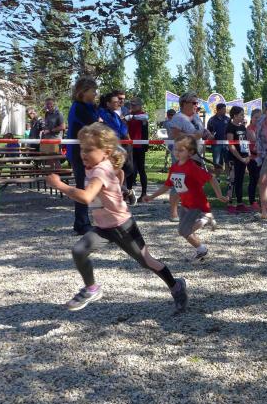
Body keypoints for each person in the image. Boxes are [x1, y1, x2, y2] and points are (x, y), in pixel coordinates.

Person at [45, 123, 187, 313]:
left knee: (147, 261)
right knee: (78, 251)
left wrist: (60, 186)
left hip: (122, 226)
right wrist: (118, 187)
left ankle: (176, 286)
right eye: (82, 149)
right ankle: (91, 288)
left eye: (89, 150)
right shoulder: (95, 166)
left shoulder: (100, 170)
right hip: (103, 227)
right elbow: (118, 173)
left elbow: (86, 197)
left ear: (105, 152)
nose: (83, 154)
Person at [143, 134, 228, 263]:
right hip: (186, 204)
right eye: (175, 149)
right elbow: (167, 186)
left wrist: (219, 195)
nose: (177, 152)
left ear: (191, 152)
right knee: (186, 231)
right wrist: (151, 196)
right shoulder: (174, 167)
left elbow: (211, 178)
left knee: (184, 230)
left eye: (181, 150)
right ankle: (202, 245)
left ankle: (203, 237)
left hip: (197, 204)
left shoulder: (192, 167)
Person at [168, 92, 213, 221]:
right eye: (194, 103)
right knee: (179, 184)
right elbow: (176, 135)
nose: (196, 105)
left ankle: (191, 210)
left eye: (197, 103)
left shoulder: (196, 117)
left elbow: (201, 130)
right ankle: (173, 213)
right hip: (182, 156)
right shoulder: (178, 117)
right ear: (184, 104)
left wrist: (208, 134)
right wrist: (193, 136)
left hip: (195, 155)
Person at [66, 78, 100, 235]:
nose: (95, 94)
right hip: (78, 152)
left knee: (89, 186)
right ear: (83, 92)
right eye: (93, 91)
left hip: (87, 151)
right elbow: (95, 125)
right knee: (82, 187)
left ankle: (85, 221)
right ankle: (81, 223)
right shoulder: (79, 107)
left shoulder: (89, 107)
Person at [99, 92, 137, 205]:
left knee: (123, 171)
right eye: (115, 102)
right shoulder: (101, 113)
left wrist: (128, 142)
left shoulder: (115, 115)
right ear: (108, 103)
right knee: (110, 173)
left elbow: (123, 130)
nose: (118, 103)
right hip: (107, 148)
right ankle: (123, 193)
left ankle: (123, 193)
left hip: (119, 146)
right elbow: (112, 130)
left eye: (118, 101)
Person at [224, 105, 255, 213]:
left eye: (243, 115)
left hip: (243, 157)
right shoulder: (230, 127)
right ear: (235, 115)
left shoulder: (242, 127)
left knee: (240, 180)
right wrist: (240, 158)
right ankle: (229, 203)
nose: (243, 117)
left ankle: (240, 203)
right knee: (232, 181)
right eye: (241, 115)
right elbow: (231, 145)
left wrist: (248, 155)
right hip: (233, 158)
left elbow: (245, 143)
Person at [125, 97, 149, 202]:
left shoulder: (142, 115)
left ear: (140, 105)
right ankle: (129, 193)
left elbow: (145, 118)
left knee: (141, 169)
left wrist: (131, 117)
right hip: (130, 146)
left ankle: (144, 193)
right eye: (131, 104)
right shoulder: (129, 115)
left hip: (140, 146)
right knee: (130, 170)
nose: (132, 106)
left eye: (134, 104)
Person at [207, 103, 230, 176]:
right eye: (224, 109)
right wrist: (211, 135)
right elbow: (208, 132)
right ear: (218, 110)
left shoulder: (228, 119)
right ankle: (218, 177)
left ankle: (228, 177)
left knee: (227, 161)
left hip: (226, 144)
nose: (225, 111)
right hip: (216, 145)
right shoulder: (212, 120)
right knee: (217, 162)